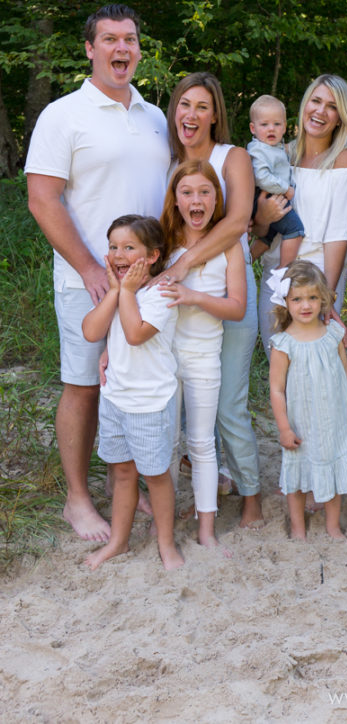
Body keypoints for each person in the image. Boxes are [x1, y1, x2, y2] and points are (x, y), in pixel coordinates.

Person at [25, 4, 170, 542]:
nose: (121, 48)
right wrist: (89, 266)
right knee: (85, 386)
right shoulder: (63, 114)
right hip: (87, 281)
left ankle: (122, 484)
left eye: (129, 39)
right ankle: (78, 499)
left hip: (146, 285)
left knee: (132, 385)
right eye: (109, 39)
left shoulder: (155, 116)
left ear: (139, 49)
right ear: (90, 49)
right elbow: (42, 199)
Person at [160, 72, 263, 528]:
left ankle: (251, 495)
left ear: (215, 115)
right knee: (191, 399)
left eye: (202, 106)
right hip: (180, 304)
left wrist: (185, 265)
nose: (192, 114)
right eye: (185, 104)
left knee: (228, 403)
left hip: (228, 285)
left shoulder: (232, 157)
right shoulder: (169, 164)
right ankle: (213, 485)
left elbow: (238, 221)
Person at [81, 215, 183, 570]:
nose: (118, 254)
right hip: (115, 399)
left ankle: (166, 543)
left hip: (150, 403)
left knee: (155, 476)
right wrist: (115, 292)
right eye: (113, 247)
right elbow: (91, 332)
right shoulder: (118, 292)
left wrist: (125, 292)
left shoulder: (160, 293)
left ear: (152, 256)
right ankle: (118, 542)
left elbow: (136, 334)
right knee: (123, 473)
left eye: (128, 247)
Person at [159, 161, 246, 549]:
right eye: (187, 192)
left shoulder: (228, 245)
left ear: (216, 198)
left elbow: (237, 308)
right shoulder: (163, 241)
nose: (196, 200)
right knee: (167, 444)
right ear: (176, 200)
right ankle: (163, 523)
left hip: (203, 356)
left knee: (200, 443)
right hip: (162, 357)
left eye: (205, 192)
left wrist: (193, 296)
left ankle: (206, 528)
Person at [269, 261, 347, 540]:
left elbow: (346, 371)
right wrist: (284, 428)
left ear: (324, 300)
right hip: (301, 423)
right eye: (297, 299)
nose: (306, 305)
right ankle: (297, 528)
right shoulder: (283, 343)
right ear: (285, 302)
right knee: (297, 476)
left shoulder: (333, 334)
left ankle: (332, 525)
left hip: (334, 419)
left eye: (313, 297)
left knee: (333, 469)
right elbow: (277, 390)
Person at [256, 74, 347, 350]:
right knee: (277, 364)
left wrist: (328, 296)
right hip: (276, 279)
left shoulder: (345, 159)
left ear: (340, 118)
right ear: (305, 105)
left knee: (313, 367)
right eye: (316, 101)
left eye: (332, 106)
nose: (320, 111)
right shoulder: (280, 155)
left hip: (316, 283)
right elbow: (262, 228)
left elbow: (339, 234)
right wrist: (263, 217)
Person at [246, 94, 304, 268]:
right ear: (253, 128)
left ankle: (246, 261)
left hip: (271, 194)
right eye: (264, 124)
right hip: (265, 195)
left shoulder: (274, 148)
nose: (271, 129)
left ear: (284, 127)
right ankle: (284, 271)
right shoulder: (258, 149)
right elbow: (261, 177)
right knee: (295, 229)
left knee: (268, 236)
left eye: (277, 124)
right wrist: (286, 189)